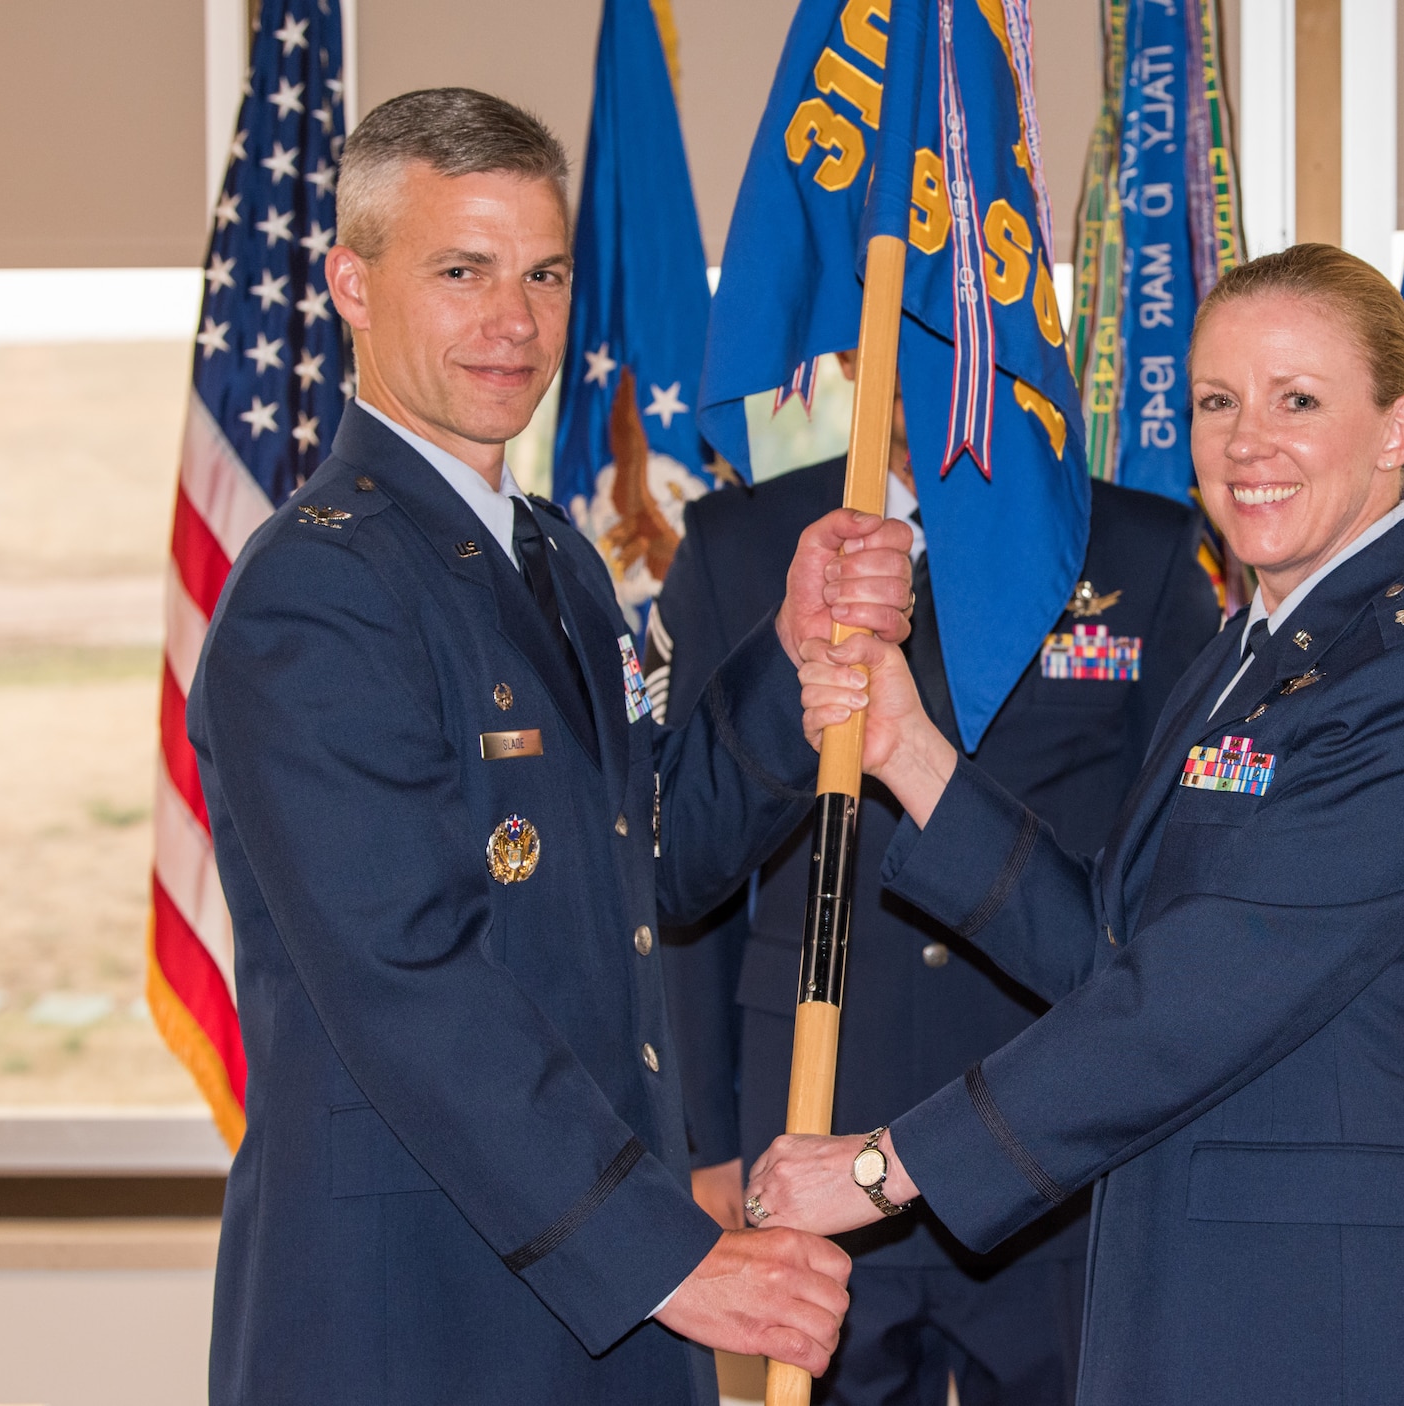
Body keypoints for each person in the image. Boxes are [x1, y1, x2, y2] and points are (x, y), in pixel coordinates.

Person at [188, 88, 914, 1405]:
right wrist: (670, 1258)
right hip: (415, 1318)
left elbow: (649, 858)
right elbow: (413, 985)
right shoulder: (321, 592)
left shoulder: (551, 560)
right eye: (460, 271)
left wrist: (789, 663)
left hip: (591, 1310)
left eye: (544, 274)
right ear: (352, 283)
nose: (512, 324)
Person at [747, 243, 1404, 1405]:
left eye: (1298, 400)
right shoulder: (1253, 649)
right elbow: (1107, 948)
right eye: (1217, 401)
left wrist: (884, 1166)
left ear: (1395, 429)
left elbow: (1190, 997)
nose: (1245, 442)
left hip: (1338, 1327)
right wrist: (909, 754)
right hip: (1187, 1304)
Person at [650, 349, 1219, 1405]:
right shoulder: (741, 544)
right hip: (815, 1116)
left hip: (1048, 1142)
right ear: (850, 360)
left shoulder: (1134, 548)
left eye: (952, 350)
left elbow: (1170, 873)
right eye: (895, 354)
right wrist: (705, 1141)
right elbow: (685, 876)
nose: (924, 383)